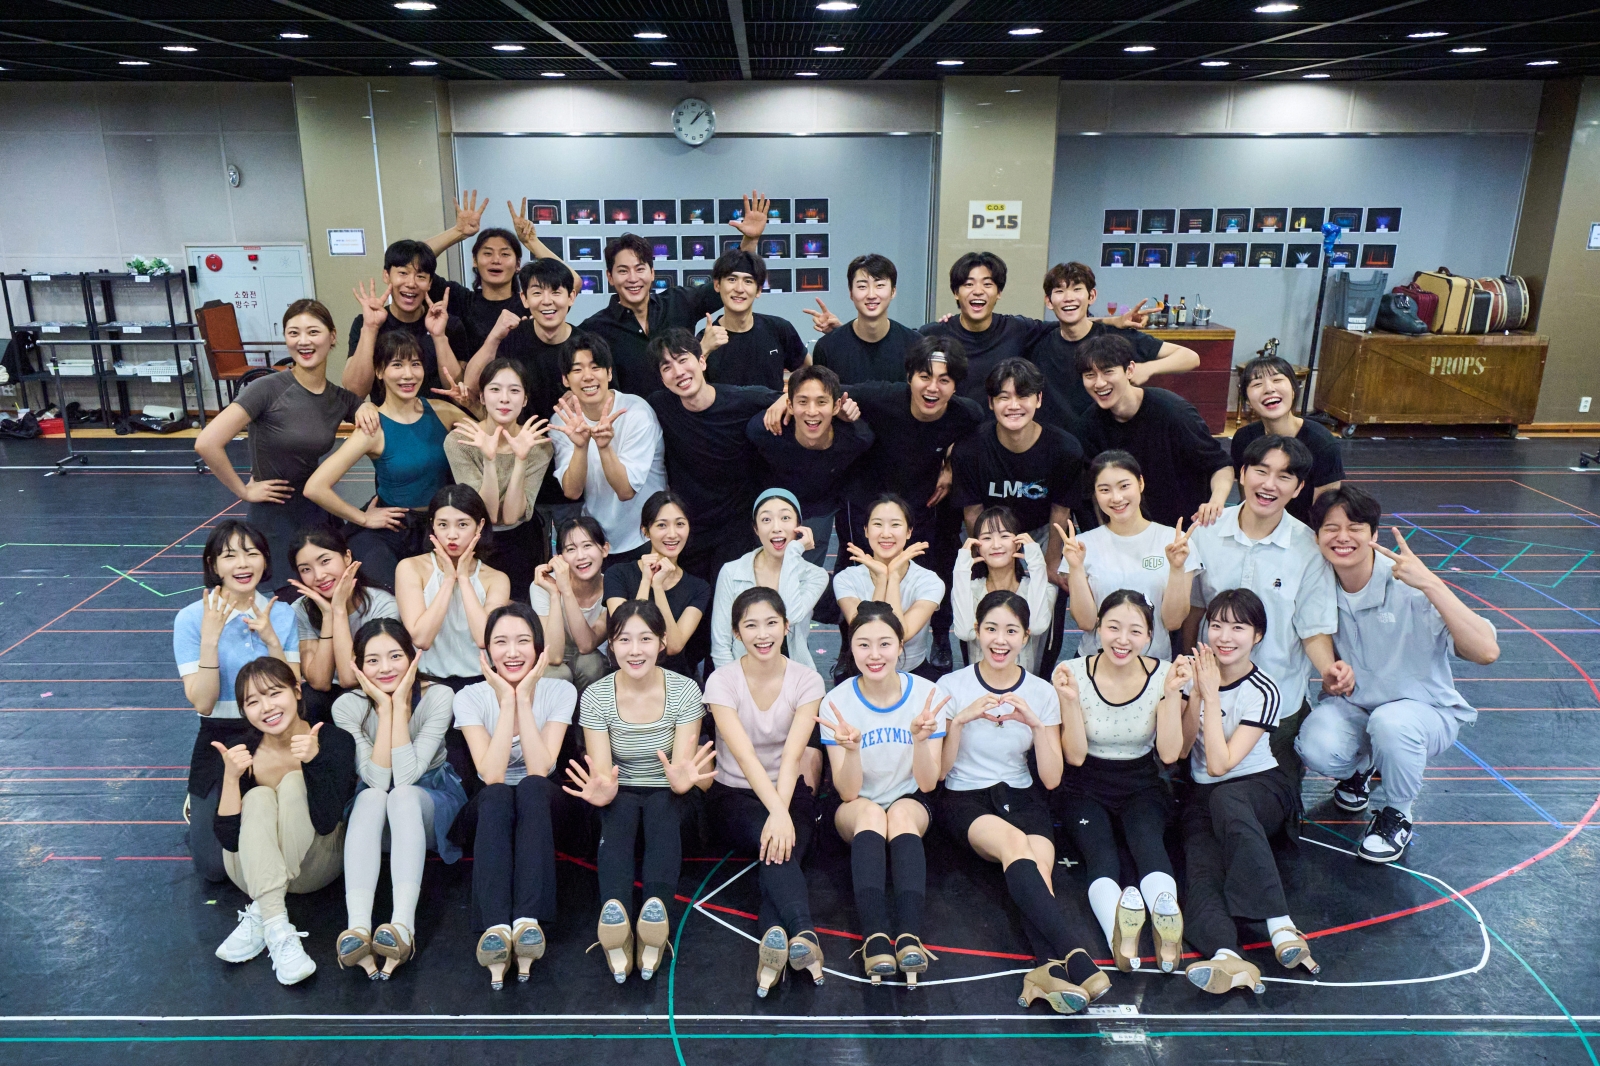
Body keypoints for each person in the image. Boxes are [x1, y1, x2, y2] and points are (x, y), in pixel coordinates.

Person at [1297, 486, 1499, 863]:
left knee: (1391, 723)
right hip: (1358, 707)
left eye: (1355, 527)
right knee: (1316, 745)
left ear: (1374, 534)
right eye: (1331, 528)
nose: (1342, 537)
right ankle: (1363, 767)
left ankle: (1398, 813)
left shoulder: (1410, 585)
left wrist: (1431, 583)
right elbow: (1315, 632)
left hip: (1423, 714)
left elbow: (1486, 651)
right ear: (1317, 536)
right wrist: (1330, 671)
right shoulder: (1318, 581)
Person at [935, 591, 1108, 1014]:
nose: (1000, 640)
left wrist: (1036, 724)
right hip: (965, 796)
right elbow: (939, 772)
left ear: (1026, 637)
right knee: (1017, 846)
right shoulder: (951, 687)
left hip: (1022, 794)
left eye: (1011, 631)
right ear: (976, 632)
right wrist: (960, 720)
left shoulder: (1041, 692)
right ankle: (1076, 955)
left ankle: (1045, 969)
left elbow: (1050, 778)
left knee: (1040, 867)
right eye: (991, 629)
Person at [563, 601, 717, 984]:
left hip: (672, 793)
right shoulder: (596, 696)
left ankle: (655, 920)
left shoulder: (684, 690)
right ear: (611, 646)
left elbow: (683, 769)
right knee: (620, 810)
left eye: (645, 639)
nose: (635, 650)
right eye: (624, 640)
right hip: (621, 793)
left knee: (663, 806)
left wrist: (687, 781)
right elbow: (604, 774)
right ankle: (614, 921)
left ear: (662, 642)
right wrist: (601, 791)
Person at [1179, 590, 1320, 996]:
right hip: (1204, 796)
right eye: (1217, 625)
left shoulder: (1264, 689)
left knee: (1227, 799)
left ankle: (1280, 925)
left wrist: (1209, 695)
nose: (1225, 636)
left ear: (1257, 635)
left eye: (1238, 627)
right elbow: (1183, 751)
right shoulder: (1191, 677)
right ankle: (1226, 954)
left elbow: (1220, 764)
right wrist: (1193, 693)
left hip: (1260, 789)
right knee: (1200, 866)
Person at [1053, 590, 1188, 974]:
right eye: (1113, 627)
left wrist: (1172, 695)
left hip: (1141, 783)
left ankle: (1165, 926)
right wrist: (1069, 701)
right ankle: (1121, 933)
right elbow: (1075, 756)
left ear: (1149, 636)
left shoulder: (1164, 675)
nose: (1122, 640)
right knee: (1101, 855)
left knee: (1148, 845)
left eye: (1135, 631)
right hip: (1085, 785)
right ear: (1098, 629)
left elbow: (1169, 754)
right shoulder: (1072, 673)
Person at [1187, 435, 1342, 769]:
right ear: (1242, 474)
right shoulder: (1206, 532)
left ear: (1298, 488)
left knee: (1270, 797)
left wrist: (1328, 670)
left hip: (1278, 702)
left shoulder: (1309, 549)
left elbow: (1313, 629)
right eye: (1261, 471)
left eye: (1284, 477)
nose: (1269, 485)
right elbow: (1194, 609)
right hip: (1208, 695)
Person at [703, 588, 828, 996]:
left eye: (772, 623)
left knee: (779, 848)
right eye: (751, 625)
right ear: (736, 633)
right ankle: (804, 932)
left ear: (787, 626)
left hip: (790, 791)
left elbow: (792, 756)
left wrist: (781, 810)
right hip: (734, 793)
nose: (763, 634)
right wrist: (777, 815)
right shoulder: (722, 681)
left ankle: (774, 938)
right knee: (777, 843)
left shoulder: (807, 680)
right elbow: (744, 757)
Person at [192, 300, 364, 592]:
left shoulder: (338, 398)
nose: (303, 341)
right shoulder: (267, 388)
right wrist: (243, 491)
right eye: (294, 333)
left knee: (328, 597)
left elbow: (367, 410)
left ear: (332, 336)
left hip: (317, 512)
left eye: (313, 332)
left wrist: (365, 408)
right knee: (283, 602)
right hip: (274, 517)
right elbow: (207, 443)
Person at [820, 602, 949, 985]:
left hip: (910, 799)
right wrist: (851, 751)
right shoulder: (837, 702)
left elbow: (928, 784)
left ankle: (910, 937)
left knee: (901, 814)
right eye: (863, 644)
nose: (874, 655)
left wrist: (921, 741)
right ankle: (874, 938)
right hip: (856, 805)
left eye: (884, 644)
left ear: (900, 645)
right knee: (873, 814)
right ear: (850, 647)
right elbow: (847, 792)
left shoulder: (927, 695)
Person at [332, 618, 467, 981]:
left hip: (429, 803)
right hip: (377, 819)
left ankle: (403, 929)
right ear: (358, 666)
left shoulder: (439, 695)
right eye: (372, 660)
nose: (385, 668)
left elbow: (406, 777)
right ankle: (358, 929)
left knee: (403, 795)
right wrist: (384, 708)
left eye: (395, 656)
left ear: (412, 657)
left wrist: (400, 709)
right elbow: (377, 780)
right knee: (372, 797)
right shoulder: (346, 707)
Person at [452, 603, 578, 988]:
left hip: (543, 803)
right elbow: (490, 774)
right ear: (487, 650)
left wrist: (524, 698)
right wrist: (506, 700)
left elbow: (541, 768)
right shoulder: (470, 697)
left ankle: (526, 922)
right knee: (497, 794)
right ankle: (495, 928)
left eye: (523, 641)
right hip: (492, 807)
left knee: (531, 786)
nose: (512, 652)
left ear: (539, 648)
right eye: (500, 642)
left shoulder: (560, 690)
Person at [210, 657, 356, 986]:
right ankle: (277, 928)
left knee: (292, 784)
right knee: (258, 797)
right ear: (244, 711)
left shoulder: (334, 740)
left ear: (297, 692)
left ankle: (262, 912)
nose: (267, 707)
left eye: (275, 693)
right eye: (253, 701)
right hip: (248, 871)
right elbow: (230, 841)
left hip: (314, 866)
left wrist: (314, 763)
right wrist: (231, 778)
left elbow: (326, 822)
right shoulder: (241, 752)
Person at [843, 336, 984, 665]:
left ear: (955, 386)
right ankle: (849, 645)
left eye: (944, 380)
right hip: (872, 502)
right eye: (925, 376)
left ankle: (940, 637)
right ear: (909, 377)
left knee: (935, 570)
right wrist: (785, 401)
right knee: (859, 573)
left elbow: (973, 439)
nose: (933, 388)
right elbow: (824, 390)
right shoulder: (880, 397)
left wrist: (951, 464)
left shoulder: (967, 414)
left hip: (924, 504)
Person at [177, 521, 301, 883]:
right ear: (213, 565)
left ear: (265, 560)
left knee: (289, 852)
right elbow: (203, 704)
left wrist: (272, 640)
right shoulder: (190, 618)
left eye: (251, 553)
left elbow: (292, 691)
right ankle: (202, 799)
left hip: (275, 732)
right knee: (214, 869)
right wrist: (210, 640)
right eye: (230, 555)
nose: (243, 564)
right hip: (221, 735)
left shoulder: (282, 613)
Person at [304, 331, 473, 591]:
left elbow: (493, 436)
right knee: (396, 598)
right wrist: (363, 519)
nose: (408, 374)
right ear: (380, 371)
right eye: (397, 365)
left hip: (439, 528)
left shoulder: (442, 411)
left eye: (415, 364)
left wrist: (472, 404)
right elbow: (315, 487)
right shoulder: (373, 428)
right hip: (393, 530)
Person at [950, 357, 1081, 665]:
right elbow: (972, 513)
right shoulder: (971, 449)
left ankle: (1043, 674)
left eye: (1023, 396)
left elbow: (1060, 511)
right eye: (1003, 397)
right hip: (989, 532)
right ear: (991, 402)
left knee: (1046, 603)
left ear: (1038, 399)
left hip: (1042, 530)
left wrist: (1051, 564)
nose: (1013, 406)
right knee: (975, 601)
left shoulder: (1065, 448)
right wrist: (981, 557)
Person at [578, 193, 769, 394]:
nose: (633, 278)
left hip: (686, 411)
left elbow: (724, 288)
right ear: (610, 277)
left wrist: (750, 241)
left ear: (652, 273)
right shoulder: (595, 329)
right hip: (634, 415)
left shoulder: (679, 302)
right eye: (623, 271)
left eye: (640, 269)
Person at [646, 328, 780, 583]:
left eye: (683, 360)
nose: (678, 372)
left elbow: (800, 397)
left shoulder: (743, 400)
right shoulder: (660, 405)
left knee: (733, 600)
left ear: (702, 361)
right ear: (662, 379)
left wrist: (786, 400)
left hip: (736, 528)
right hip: (689, 529)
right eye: (667, 367)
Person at [1074, 332, 1233, 529]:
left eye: (1108, 372)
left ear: (1129, 370)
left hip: (1184, 527)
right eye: (1090, 375)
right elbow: (1093, 491)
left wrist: (1216, 502)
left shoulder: (1174, 412)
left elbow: (1220, 465)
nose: (1099, 383)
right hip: (1130, 531)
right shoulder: (1087, 426)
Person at [1056, 451, 1200, 661]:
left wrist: (1177, 569)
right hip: (1096, 663)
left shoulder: (1174, 542)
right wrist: (1076, 568)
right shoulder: (1080, 546)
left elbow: (1173, 622)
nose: (1116, 498)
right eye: (1104, 490)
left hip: (1153, 664)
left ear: (1140, 483)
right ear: (1095, 493)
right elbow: (1086, 623)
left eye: (1124, 486)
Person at [1026, 262, 1198, 432]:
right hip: (1056, 442)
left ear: (1092, 296)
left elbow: (1190, 357)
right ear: (1048, 301)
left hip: (1106, 440)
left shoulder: (1116, 337)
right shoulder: (1037, 339)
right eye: (1059, 291)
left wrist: (1147, 368)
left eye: (1077, 289)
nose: (1068, 297)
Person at [549, 332, 667, 568]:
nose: (588, 376)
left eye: (596, 367)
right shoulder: (562, 420)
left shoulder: (636, 412)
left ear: (609, 373)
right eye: (577, 370)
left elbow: (626, 490)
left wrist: (604, 447)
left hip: (646, 536)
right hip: (598, 540)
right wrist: (580, 446)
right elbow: (572, 491)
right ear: (565, 380)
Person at [444, 357, 554, 600]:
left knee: (518, 614)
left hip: (521, 542)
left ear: (525, 399)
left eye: (514, 391)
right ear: (482, 397)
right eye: (495, 389)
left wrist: (521, 459)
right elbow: (488, 515)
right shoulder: (459, 441)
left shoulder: (538, 445)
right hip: (475, 541)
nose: (504, 399)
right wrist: (489, 459)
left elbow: (512, 516)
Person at [748, 364, 874, 569]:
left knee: (807, 575)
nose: (812, 411)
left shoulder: (856, 438)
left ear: (836, 407)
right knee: (766, 572)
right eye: (803, 402)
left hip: (819, 509)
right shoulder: (766, 430)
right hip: (772, 506)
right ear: (790, 405)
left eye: (821, 402)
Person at [395, 485, 512, 691]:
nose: (452, 535)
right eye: (442, 525)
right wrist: (449, 580)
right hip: (428, 681)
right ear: (432, 526)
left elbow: (484, 639)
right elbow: (421, 639)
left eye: (462, 524)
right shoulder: (410, 568)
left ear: (479, 525)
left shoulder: (496, 579)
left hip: (483, 680)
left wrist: (464, 579)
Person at [424, 191, 570, 353]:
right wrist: (458, 232)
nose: (496, 260)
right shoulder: (459, 299)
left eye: (505, 254)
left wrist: (531, 242)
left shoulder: (530, 303)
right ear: (475, 260)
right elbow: (414, 260)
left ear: (517, 264)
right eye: (487, 253)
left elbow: (571, 281)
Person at [286, 526, 399, 725]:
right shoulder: (300, 609)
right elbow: (320, 682)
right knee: (309, 699)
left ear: (347, 557)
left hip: (374, 688)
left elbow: (350, 679)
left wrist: (338, 610)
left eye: (325, 561)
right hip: (330, 692)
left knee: (352, 698)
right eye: (306, 569)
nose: (319, 575)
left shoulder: (383, 605)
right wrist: (328, 616)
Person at [711, 489, 829, 672]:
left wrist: (793, 553)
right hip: (741, 674)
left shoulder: (815, 575)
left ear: (799, 525)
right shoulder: (732, 572)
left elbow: (791, 616)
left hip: (796, 675)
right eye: (766, 519)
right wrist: (732, 684)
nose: (776, 527)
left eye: (785, 518)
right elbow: (721, 644)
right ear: (756, 529)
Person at [833, 495, 947, 681]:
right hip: (863, 670)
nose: (886, 533)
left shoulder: (930, 581)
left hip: (912, 671)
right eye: (877, 524)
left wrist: (892, 578)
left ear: (909, 532)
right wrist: (881, 580)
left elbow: (899, 634)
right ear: (866, 530)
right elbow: (870, 632)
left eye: (895, 525)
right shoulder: (846, 579)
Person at [603, 490, 712, 678]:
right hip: (626, 674)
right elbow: (626, 633)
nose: (672, 534)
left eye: (680, 524)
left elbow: (673, 646)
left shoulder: (699, 587)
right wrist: (646, 581)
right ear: (646, 531)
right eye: (662, 525)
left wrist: (658, 587)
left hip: (674, 678)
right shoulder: (617, 574)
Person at [342, 240, 467, 401]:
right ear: (386, 275)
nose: (411, 283)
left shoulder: (449, 325)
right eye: (403, 273)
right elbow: (355, 391)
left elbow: (458, 394)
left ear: (429, 283)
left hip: (439, 415)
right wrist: (370, 328)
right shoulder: (365, 323)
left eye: (420, 276)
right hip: (386, 416)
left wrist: (439, 336)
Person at [1230, 354, 1344, 527]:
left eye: (1277, 380)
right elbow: (1247, 499)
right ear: (1247, 399)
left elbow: (1326, 514)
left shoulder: (1323, 444)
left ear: (1293, 389)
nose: (1269, 389)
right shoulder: (1244, 438)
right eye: (1257, 384)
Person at [461, 257, 577, 422]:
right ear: (524, 298)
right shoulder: (511, 336)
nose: (546, 301)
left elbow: (608, 393)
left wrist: (585, 395)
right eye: (537, 293)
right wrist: (494, 337)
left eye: (555, 292)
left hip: (569, 435)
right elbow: (470, 388)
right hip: (516, 434)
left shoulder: (585, 344)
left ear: (571, 297)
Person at [951, 506, 1054, 672]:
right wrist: (961, 571)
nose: (996, 545)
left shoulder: (1041, 589)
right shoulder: (970, 590)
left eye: (1005, 536)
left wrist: (1037, 565)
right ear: (977, 547)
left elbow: (1036, 626)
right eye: (987, 538)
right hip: (980, 683)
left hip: (1025, 683)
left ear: (1018, 543)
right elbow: (964, 632)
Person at [697, 249, 806, 390]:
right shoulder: (705, 339)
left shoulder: (779, 329)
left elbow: (809, 372)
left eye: (748, 281)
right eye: (732, 279)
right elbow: (695, 392)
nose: (739, 289)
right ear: (717, 285)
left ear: (758, 290)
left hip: (773, 405)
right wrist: (704, 350)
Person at [805, 253, 919, 384]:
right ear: (851, 293)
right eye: (862, 287)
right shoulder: (827, 348)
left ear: (893, 291)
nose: (871, 295)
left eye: (879, 285)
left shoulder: (915, 345)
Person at [529, 517, 611, 693]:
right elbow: (554, 656)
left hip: (591, 661)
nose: (581, 556)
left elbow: (586, 645)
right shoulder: (543, 585)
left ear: (604, 549)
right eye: (571, 549)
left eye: (587, 545)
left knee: (591, 664)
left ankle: (588, 711)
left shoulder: (613, 587)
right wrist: (555, 594)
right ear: (559, 558)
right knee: (557, 674)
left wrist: (566, 591)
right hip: (553, 665)